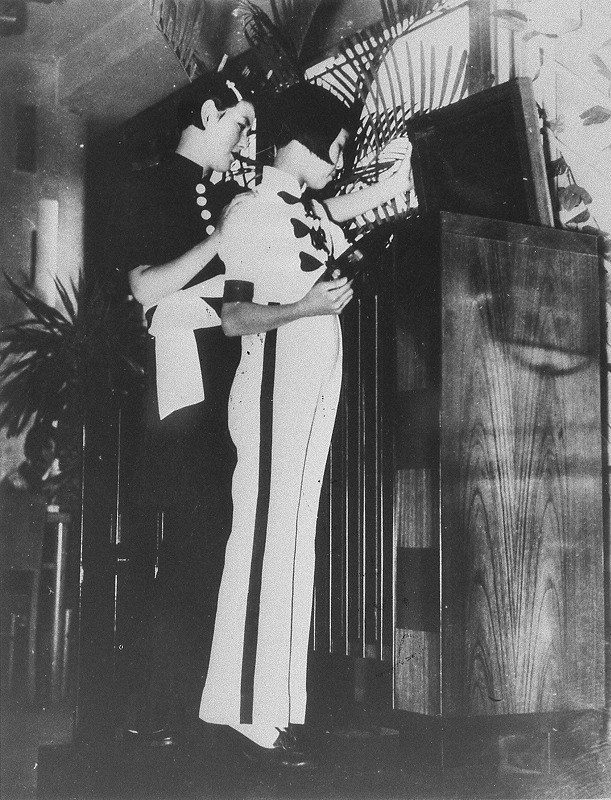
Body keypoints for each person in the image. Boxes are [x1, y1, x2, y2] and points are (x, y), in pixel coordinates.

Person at [198, 82, 413, 766]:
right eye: (334, 146)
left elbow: (344, 207)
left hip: (314, 386)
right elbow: (234, 319)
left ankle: (279, 709)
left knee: (293, 543)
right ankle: (244, 714)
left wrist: (402, 174)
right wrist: (306, 306)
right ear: (297, 143)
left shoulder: (310, 211)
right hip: (271, 389)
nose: (339, 159)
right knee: (264, 541)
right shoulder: (248, 212)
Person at [116, 72, 256, 744]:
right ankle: (158, 714)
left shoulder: (225, 195)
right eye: (239, 124)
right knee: (185, 543)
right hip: (179, 386)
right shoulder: (149, 186)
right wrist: (220, 241)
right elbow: (147, 288)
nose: (244, 140)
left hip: (225, 379)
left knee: (214, 543)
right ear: (206, 112)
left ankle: (199, 710)